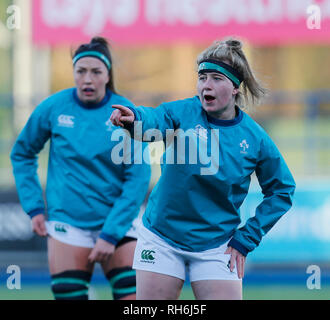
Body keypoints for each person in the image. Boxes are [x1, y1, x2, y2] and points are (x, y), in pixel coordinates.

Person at [110, 37, 296, 300]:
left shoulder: (254, 139)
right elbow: (154, 119)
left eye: (216, 78)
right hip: (162, 236)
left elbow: (282, 190)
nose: (206, 85)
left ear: (235, 88)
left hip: (217, 244)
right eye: (202, 77)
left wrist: (247, 238)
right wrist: (134, 119)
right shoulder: (182, 112)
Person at [10, 37, 151, 300]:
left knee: (136, 301)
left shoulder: (125, 113)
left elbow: (138, 177)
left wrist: (110, 234)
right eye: (81, 71)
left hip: (117, 223)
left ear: (107, 75)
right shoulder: (53, 107)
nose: (87, 79)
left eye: (96, 72)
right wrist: (34, 207)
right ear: (74, 73)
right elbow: (22, 153)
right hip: (68, 222)